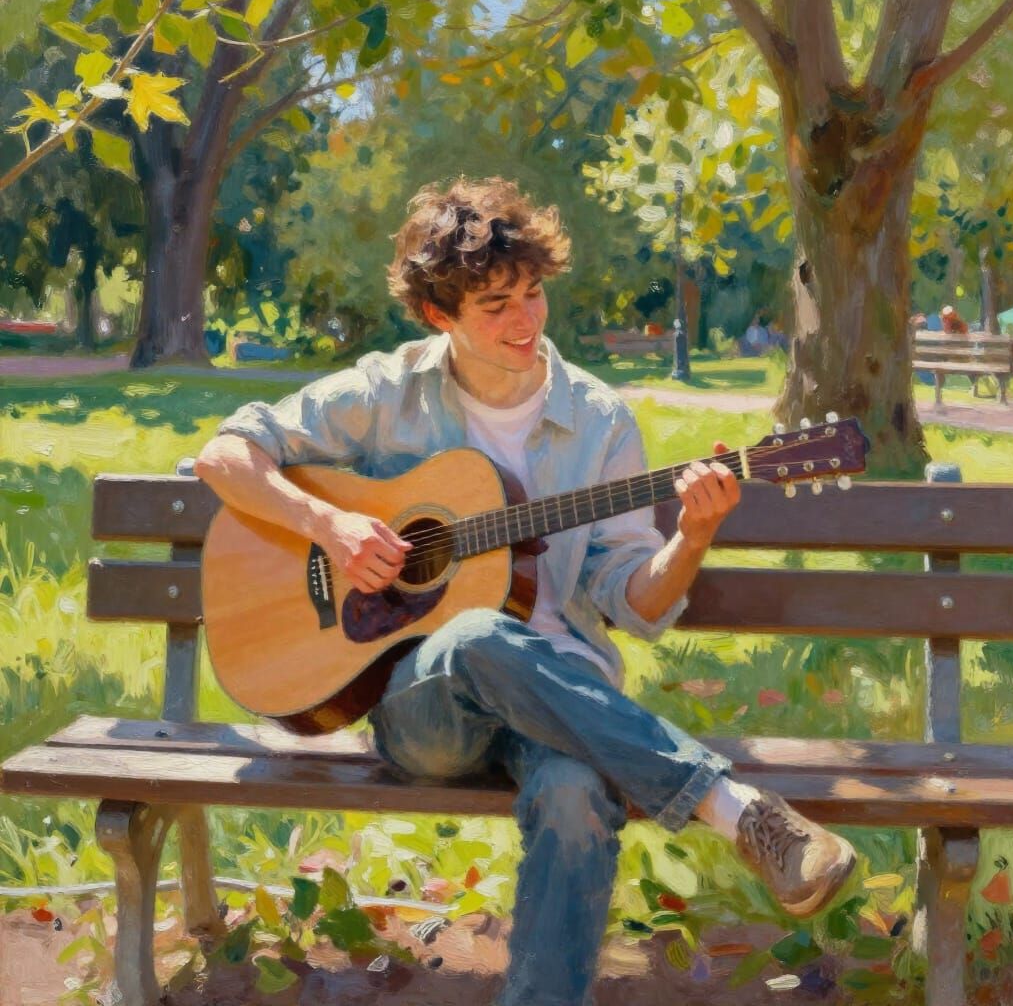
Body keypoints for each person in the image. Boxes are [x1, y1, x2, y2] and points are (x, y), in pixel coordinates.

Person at [195, 177, 855, 1006]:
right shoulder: (384, 391)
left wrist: (691, 535)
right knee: (474, 635)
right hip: (427, 711)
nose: (525, 321)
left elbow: (636, 604)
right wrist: (328, 527)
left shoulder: (600, 420)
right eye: (496, 305)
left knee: (577, 799)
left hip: (572, 704)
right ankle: (734, 809)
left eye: (533, 294)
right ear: (440, 317)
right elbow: (228, 455)